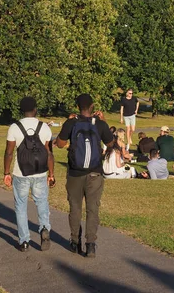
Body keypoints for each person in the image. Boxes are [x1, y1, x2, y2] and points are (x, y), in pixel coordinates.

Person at [56, 94, 113, 258]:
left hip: (75, 173)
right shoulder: (100, 124)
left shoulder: (71, 123)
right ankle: (90, 245)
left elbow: (60, 144)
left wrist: (69, 123)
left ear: (78, 106)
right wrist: (104, 121)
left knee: (75, 207)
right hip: (95, 172)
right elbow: (110, 143)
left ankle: (75, 241)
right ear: (92, 106)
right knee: (93, 208)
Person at [3, 96, 54, 252]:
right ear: (35, 109)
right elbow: (49, 154)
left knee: (20, 206)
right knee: (42, 203)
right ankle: (44, 228)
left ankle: (24, 240)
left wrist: (6, 172)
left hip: (21, 173)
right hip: (40, 172)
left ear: (22, 110)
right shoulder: (44, 127)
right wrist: (51, 174)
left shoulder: (14, 127)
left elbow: (9, 153)